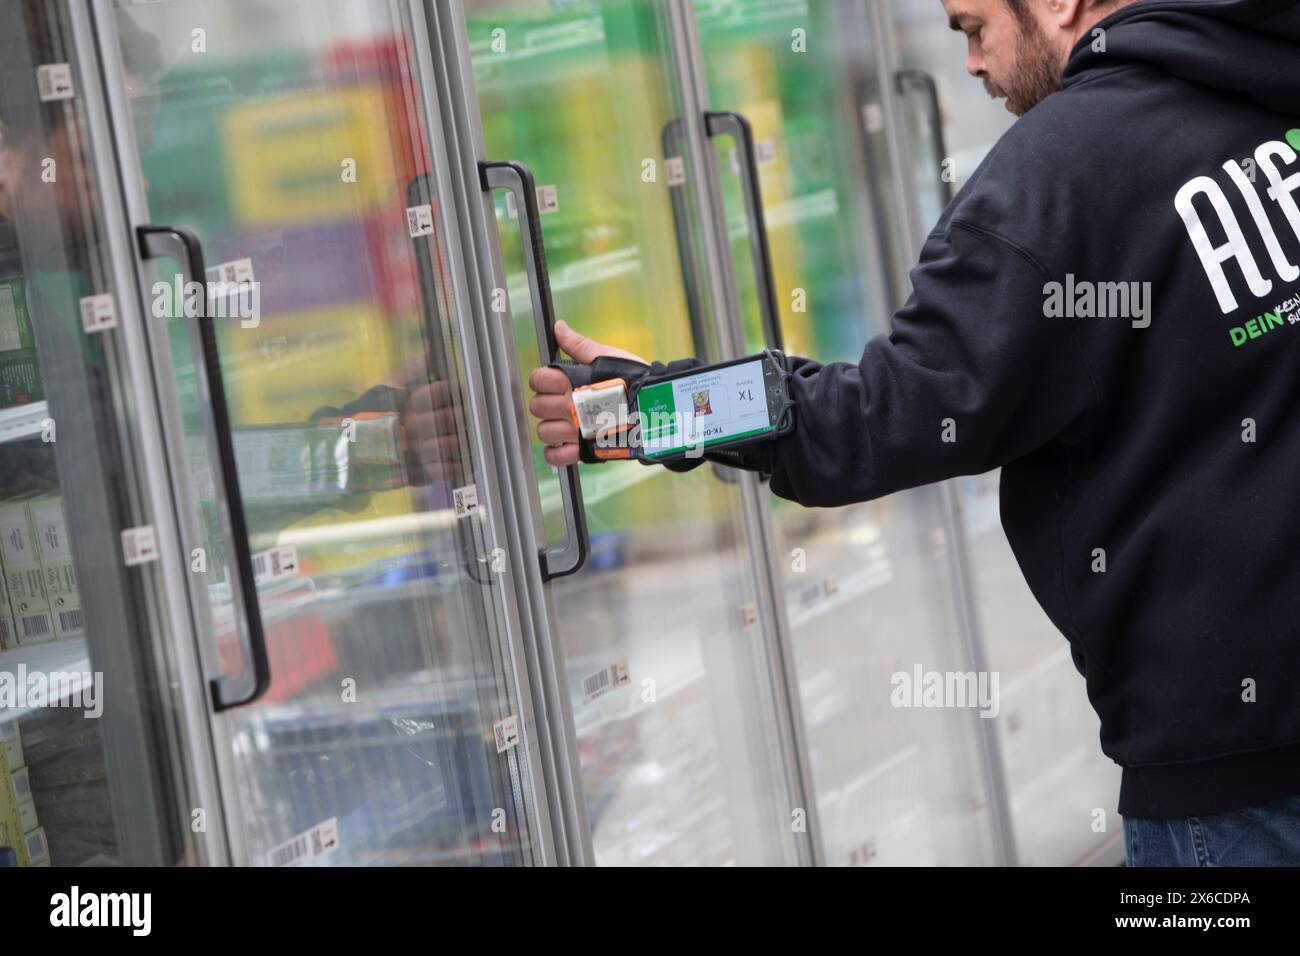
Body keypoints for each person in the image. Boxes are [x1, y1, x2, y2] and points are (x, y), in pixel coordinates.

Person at [528, 0, 1300, 867]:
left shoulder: (1055, 177)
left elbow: (875, 418)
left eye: (973, 29)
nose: (971, 66)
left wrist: (636, 408)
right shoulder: (1266, 92)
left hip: (1228, 788)